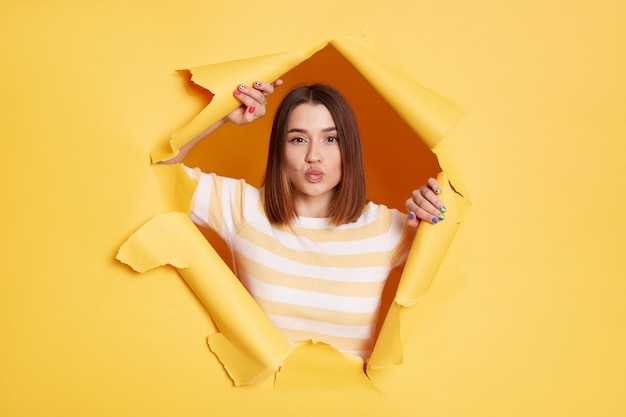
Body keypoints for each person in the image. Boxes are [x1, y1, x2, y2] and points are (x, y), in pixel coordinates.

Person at [163, 80, 446, 359]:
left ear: (349, 148)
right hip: (256, 402)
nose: (314, 156)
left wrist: (432, 218)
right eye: (298, 139)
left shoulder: (385, 229)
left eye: (330, 139)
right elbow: (160, 173)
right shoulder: (243, 209)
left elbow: (459, 282)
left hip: (353, 403)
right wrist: (221, 115)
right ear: (280, 150)